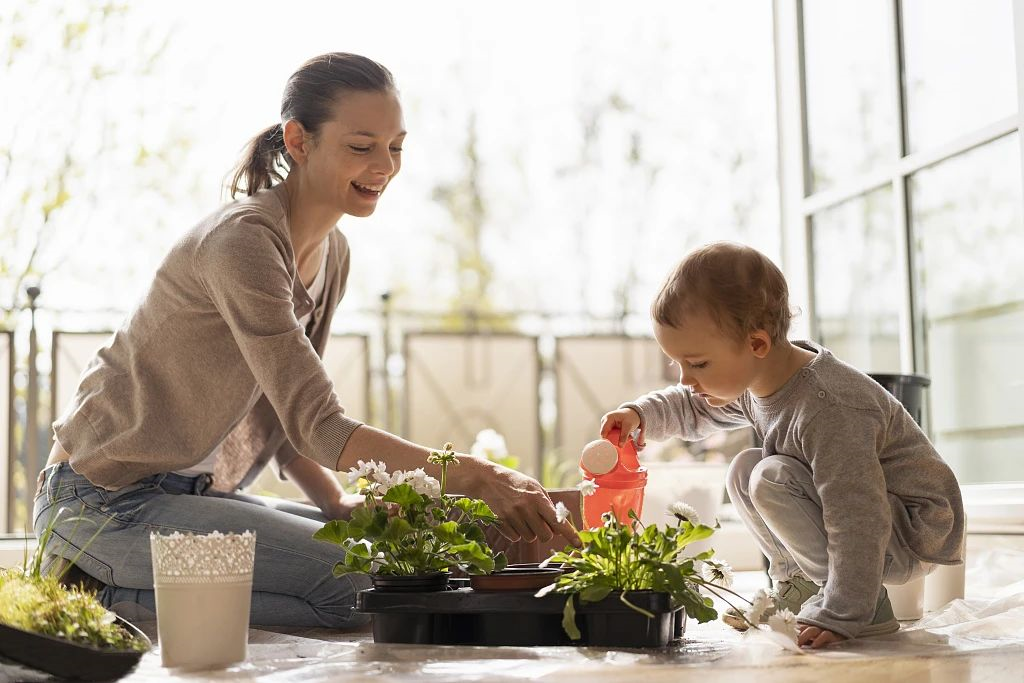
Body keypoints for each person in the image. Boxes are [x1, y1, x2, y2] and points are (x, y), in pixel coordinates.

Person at [34, 52, 569, 629]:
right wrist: (478, 476)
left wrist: (335, 503)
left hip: (188, 498)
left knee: (401, 574)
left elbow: (285, 413)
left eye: (396, 147)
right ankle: (92, 596)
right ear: (299, 140)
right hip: (100, 502)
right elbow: (322, 425)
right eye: (362, 147)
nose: (383, 166)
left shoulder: (332, 254)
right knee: (366, 586)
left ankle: (134, 589)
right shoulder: (242, 242)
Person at [600, 242, 964, 648]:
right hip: (876, 520)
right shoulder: (758, 377)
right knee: (744, 469)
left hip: (910, 530)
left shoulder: (828, 408)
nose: (686, 378)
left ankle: (866, 605)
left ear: (757, 344)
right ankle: (800, 587)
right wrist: (641, 415)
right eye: (678, 364)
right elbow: (691, 407)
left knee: (770, 476)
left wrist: (847, 611)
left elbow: (858, 512)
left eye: (698, 364)